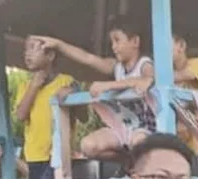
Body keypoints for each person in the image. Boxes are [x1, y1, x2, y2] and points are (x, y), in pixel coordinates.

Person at [32, 22, 154, 160]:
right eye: (112, 42)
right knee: (88, 146)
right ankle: (127, 161)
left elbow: (147, 79)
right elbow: (87, 58)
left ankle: (138, 167)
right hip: (124, 126)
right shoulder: (116, 67)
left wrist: (109, 85)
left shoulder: (145, 64)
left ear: (135, 41)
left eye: (117, 40)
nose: (113, 47)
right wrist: (59, 45)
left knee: (137, 143)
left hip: (146, 129)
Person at [14, 36, 75, 179]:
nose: (27, 54)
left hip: (57, 154)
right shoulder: (24, 86)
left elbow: (82, 114)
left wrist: (70, 93)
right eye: (25, 49)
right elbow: (20, 115)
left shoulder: (66, 81)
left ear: (50, 55)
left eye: (33, 49)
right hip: (34, 154)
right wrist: (35, 85)